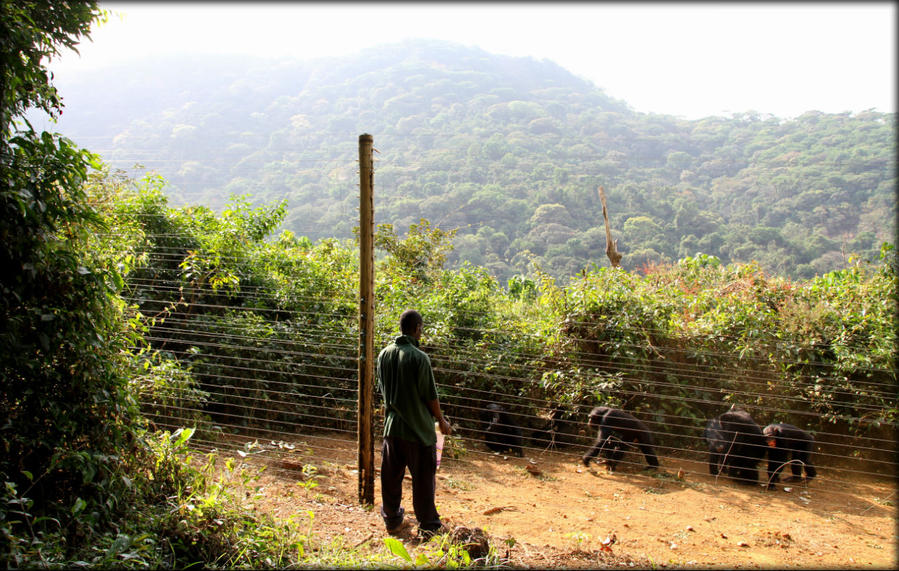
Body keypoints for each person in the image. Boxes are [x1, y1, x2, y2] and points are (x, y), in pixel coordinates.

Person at [377, 309, 452, 538]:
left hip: (392, 428)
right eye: (421, 328)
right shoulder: (419, 358)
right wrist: (441, 421)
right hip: (418, 430)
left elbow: (383, 389)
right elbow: (430, 395)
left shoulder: (384, 355)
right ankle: (429, 525)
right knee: (423, 480)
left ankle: (392, 520)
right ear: (417, 328)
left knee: (390, 478)